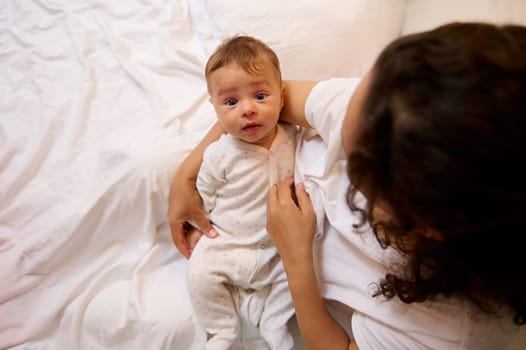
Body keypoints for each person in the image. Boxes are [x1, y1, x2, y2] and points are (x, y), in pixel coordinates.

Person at [168, 23, 526, 349]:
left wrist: (297, 261)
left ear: (423, 221)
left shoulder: (452, 331)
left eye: (352, 160)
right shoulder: (395, 100)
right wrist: (188, 171)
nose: (336, 124)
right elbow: (273, 97)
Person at [183, 35, 297, 350]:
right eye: (231, 102)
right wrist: (199, 227)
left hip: (277, 247)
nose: (247, 109)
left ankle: (274, 324)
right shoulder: (219, 153)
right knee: (200, 274)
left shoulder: (293, 138)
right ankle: (221, 330)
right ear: (215, 108)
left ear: (281, 96)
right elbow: (203, 192)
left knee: (301, 275)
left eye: (260, 95)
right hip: (228, 241)